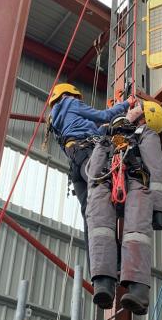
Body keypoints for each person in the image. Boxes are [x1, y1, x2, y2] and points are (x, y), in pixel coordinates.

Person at [86, 100, 162, 314]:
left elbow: (156, 169)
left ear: (145, 117)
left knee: (136, 231)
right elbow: (94, 167)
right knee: (99, 227)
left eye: (136, 108)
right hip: (107, 179)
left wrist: (159, 209)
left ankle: (138, 290)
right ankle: (103, 283)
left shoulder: (145, 134)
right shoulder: (108, 137)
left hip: (135, 180)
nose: (131, 109)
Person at [47, 83, 138, 252]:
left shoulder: (55, 120)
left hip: (76, 166)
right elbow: (104, 116)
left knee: (89, 214)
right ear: (70, 94)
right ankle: (116, 255)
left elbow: (94, 131)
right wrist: (126, 103)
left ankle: (96, 266)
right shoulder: (71, 102)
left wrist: (110, 119)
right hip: (87, 154)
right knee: (107, 193)